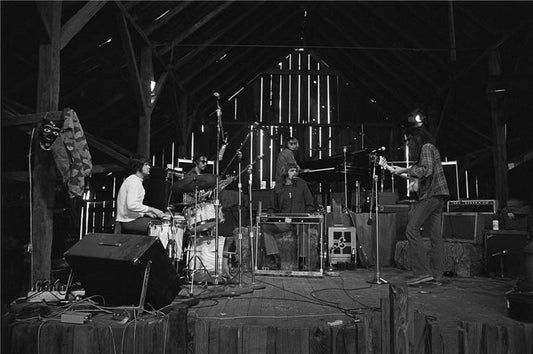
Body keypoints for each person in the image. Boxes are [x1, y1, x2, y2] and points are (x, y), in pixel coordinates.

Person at [388, 127, 449, 285]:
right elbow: (420, 175)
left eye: (408, 140)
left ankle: (422, 272)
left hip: (432, 195)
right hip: (438, 196)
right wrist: (400, 171)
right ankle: (437, 275)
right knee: (436, 237)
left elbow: (425, 171)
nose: (407, 145)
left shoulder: (426, 147)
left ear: (416, 138)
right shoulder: (428, 149)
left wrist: (403, 169)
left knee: (411, 229)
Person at [262, 163, 315, 270]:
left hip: (300, 221)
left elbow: (310, 204)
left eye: (295, 171)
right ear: (286, 172)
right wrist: (270, 216)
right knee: (266, 228)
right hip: (284, 221)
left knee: (303, 231)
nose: (294, 173)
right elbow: (272, 206)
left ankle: (302, 261)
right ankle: (275, 258)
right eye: (291, 170)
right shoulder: (278, 187)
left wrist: (305, 215)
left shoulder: (302, 184)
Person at [115, 154, 166, 234]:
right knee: (161, 228)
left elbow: (131, 207)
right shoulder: (134, 181)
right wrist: (153, 209)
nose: (149, 167)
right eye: (146, 164)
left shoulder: (134, 180)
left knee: (158, 223)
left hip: (129, 219)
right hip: (129, 221)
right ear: (138, 166)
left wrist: (146, 213)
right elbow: (132, 205)